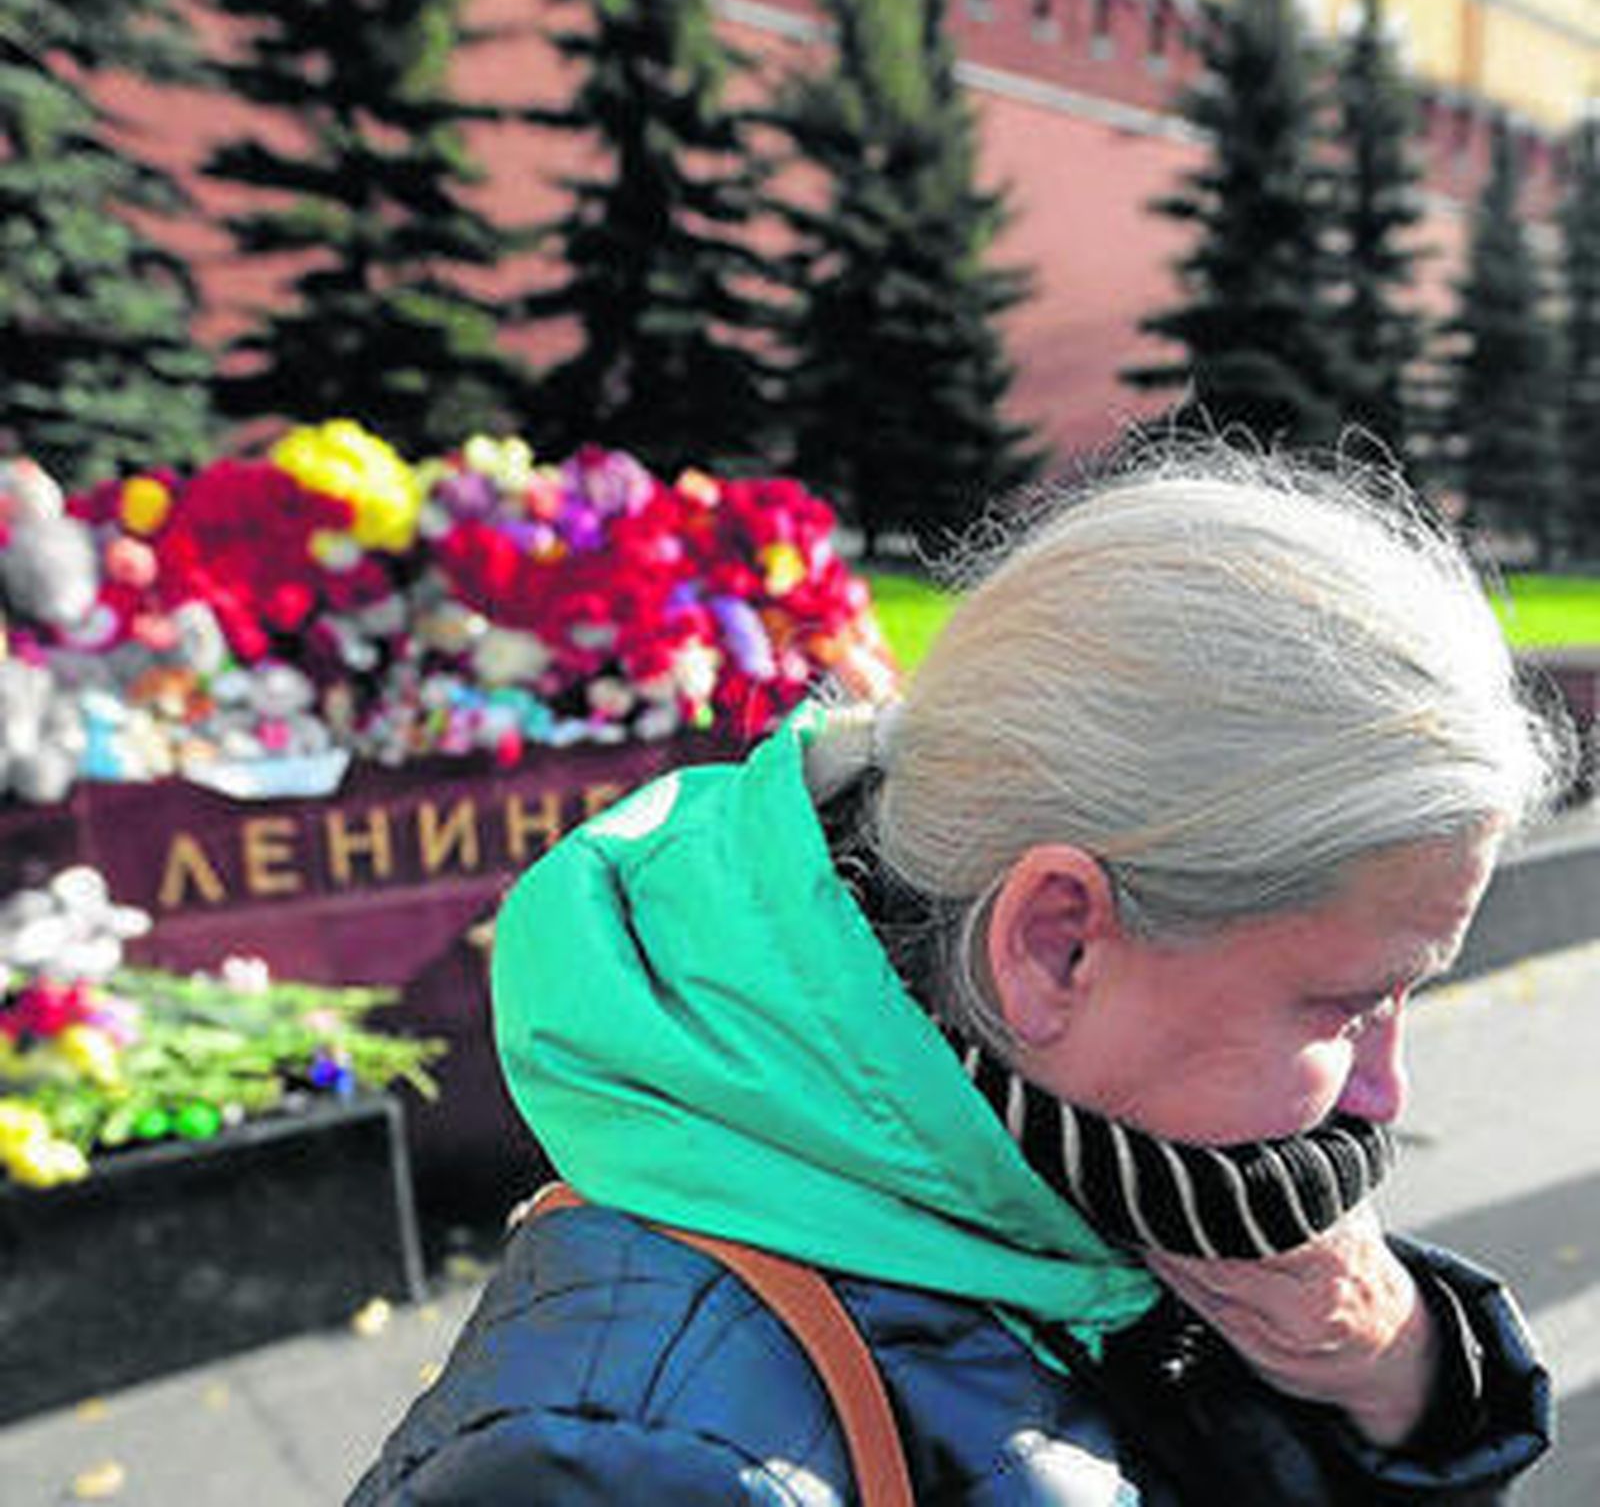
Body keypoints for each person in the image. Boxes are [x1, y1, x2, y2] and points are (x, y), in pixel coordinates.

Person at [350, 443, 1563, 1504]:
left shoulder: (1131, 1172)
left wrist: (1392, 1369)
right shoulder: (639, 1460)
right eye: (1348, 1006)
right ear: (1055, 942)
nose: (1385, 1090)